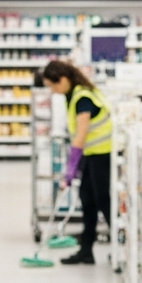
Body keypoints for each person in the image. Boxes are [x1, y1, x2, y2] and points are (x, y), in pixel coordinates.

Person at [40, 60, 112, 265]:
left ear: (63, 79)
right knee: (87, 200)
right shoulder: (74, 95)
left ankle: (123, 248)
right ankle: (86, 250)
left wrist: (70, 170)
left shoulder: (82, 98)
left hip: (101, 154)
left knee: (103, 202)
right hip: (91, 154)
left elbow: (80, 136)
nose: (53, 91)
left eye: (53, 86)